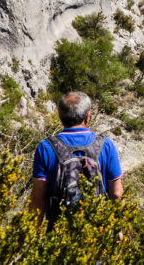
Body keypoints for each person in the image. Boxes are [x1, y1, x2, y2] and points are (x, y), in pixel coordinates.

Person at [29, 91, 123, 226]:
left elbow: (38, 198)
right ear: (87, 116)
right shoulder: (105, 145)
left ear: (60, 116)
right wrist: (118, 229)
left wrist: (32, 234)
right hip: (97, 232)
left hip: (58, 235)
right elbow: (116, 193)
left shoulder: (46, 147)